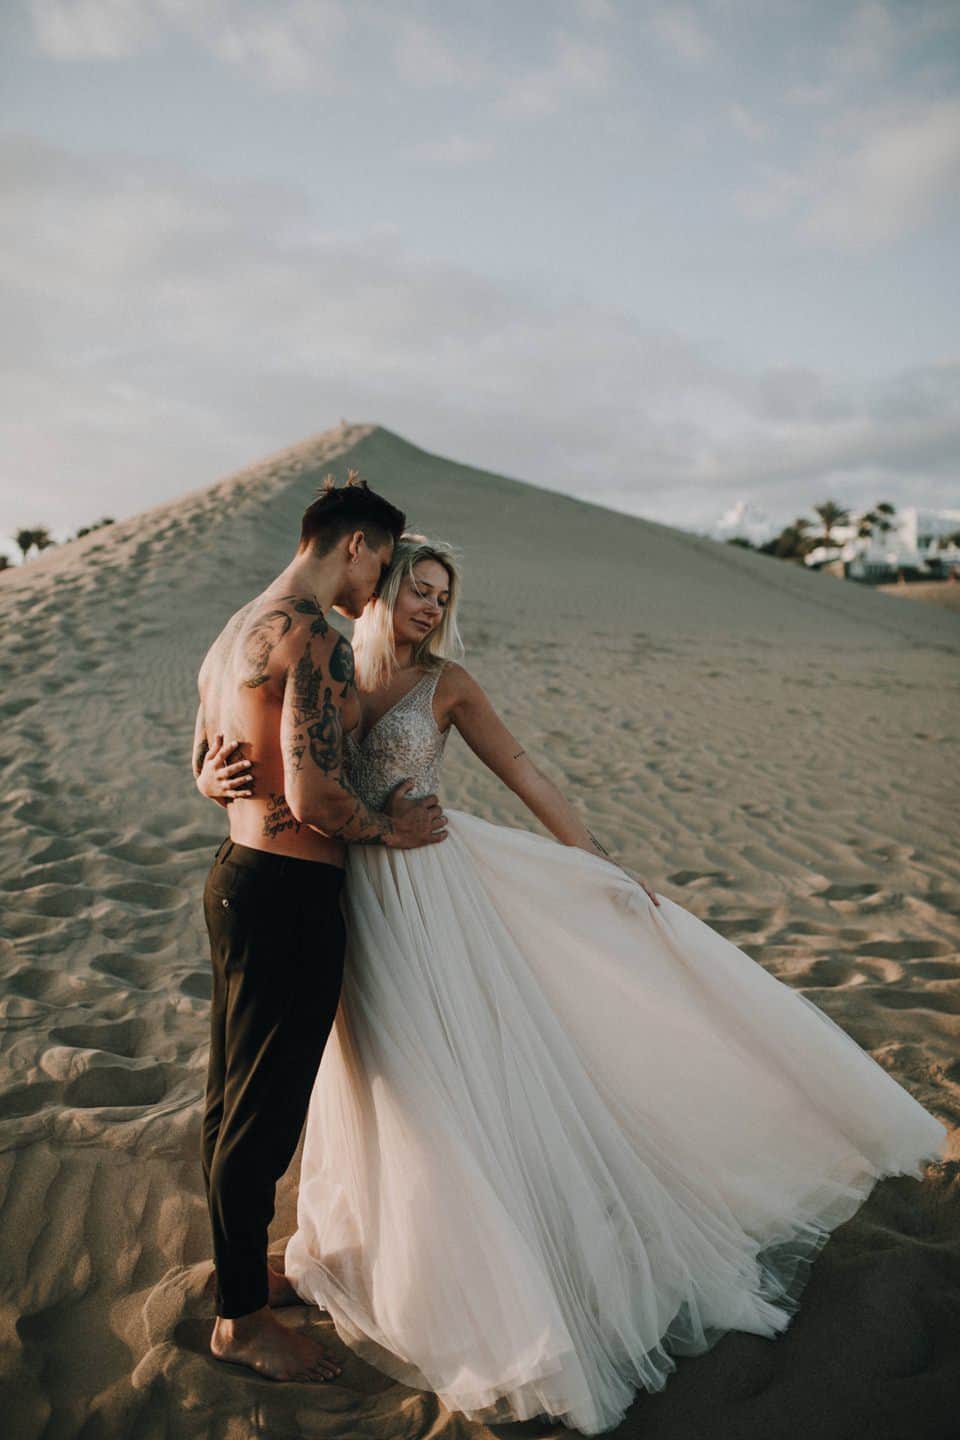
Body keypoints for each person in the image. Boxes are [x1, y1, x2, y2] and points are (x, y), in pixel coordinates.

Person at [199, 533, 948, 1433]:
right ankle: (336, 1244)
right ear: (383, 582)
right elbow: (260, 746)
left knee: (443, 1074)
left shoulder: (449, 685)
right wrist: (208, 774)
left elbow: (521, 770)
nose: (433, 608)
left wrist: (594, 864)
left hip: (431, 897)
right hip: (342, 890)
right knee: (357, 1083)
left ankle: (486, 1264)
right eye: (420, 589)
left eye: (445, 596)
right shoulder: (327, 662)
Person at [192, 478, 448, 1385]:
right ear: (357, 545)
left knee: (229, 1099)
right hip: (293, 894)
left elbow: (204, 764)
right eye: (380, 566)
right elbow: (313, 796)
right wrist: (390, 829)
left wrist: (217, 784)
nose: (377, 591)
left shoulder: (235, 632)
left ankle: (238, 1276)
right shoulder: (318, 639)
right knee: (262, 1118)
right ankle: (242, 1323)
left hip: (232, 879)